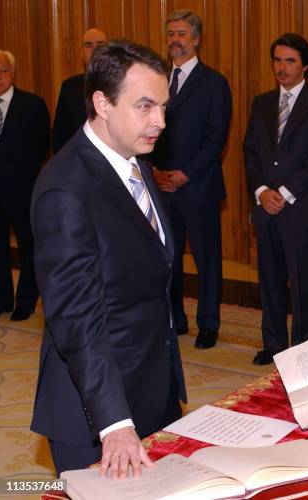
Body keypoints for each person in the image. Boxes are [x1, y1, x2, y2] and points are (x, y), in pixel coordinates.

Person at [30, 40, 187, 477]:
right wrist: (114, 423)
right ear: (102, 102)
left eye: (163, 107)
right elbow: (77, 321)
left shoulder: (134, 160)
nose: (160, 121)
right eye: (145, 106)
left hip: (152, 389)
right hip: (96, 413)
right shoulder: (66, 190)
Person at [243, 33, 308, 365]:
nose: (282, 68)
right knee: (269, 282)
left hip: (300, 210)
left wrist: (282, 194)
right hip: (266, 209)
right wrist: (261, 192)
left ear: (305, 66)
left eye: (290, 61)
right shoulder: (262, 102)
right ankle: (273, 345)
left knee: (302, 284)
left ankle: (304, 347)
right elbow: (250, 152)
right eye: (277, 60)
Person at [152, 10, 232, 350]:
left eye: (182, 33)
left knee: (207, 259)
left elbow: (217, 138)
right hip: (162, 185)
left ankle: (208, 323)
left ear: (196, 39)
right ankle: (175, 319)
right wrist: (155, 170)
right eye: (171, 33)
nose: (175, 40)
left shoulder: (214, 83)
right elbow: (147, 126)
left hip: (197, 186)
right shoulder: (156, 80)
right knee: (166, 257)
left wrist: (185, 173)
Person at [0, 50, 49, 321]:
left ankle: (26, 300)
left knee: (29, 246)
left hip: (22, 189)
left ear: (13, 73)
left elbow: (42, 144)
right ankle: (2, 298)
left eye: (3, 70)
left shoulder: (32, 104)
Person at [53, 28, 108, 153]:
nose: (94, 49)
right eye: (88, 45)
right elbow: (60, 135)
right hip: (77, 160)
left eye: (100, 45)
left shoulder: (122, 83)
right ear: (81, 53)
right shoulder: (69, 87)